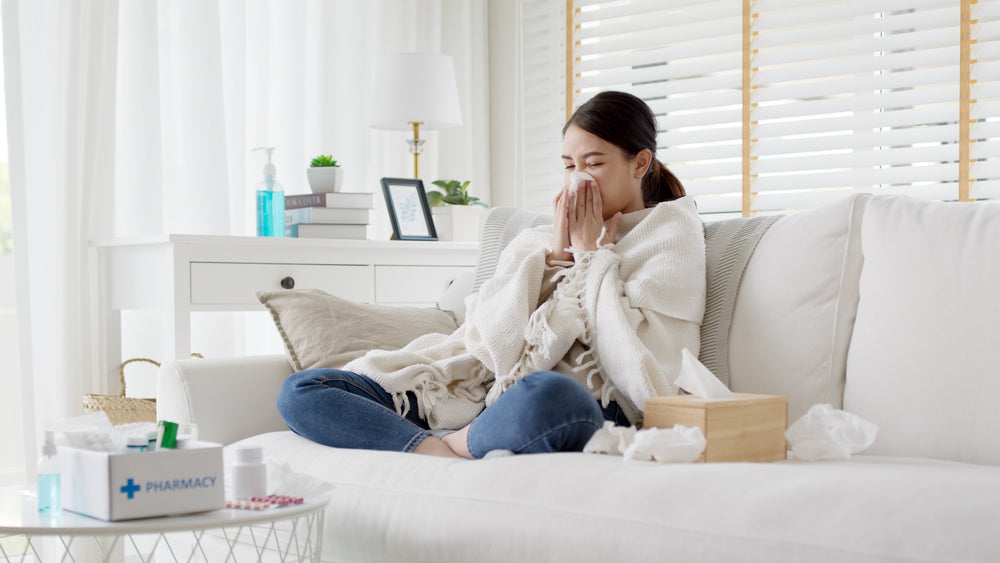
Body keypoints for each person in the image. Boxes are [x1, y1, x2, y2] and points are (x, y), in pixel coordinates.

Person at [277, 91, 706, 459]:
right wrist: (557, 256)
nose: (578, 181)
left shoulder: (669, 233)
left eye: (593, 164)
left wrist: (592, 256)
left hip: (582, 404)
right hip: (482, 399)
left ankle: (465, 441)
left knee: (554, 396)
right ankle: (432, 449)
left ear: (640, 163)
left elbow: (643, 376)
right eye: (568, 166)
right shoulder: (536, 240)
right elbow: (489, 345)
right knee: (301, 390)